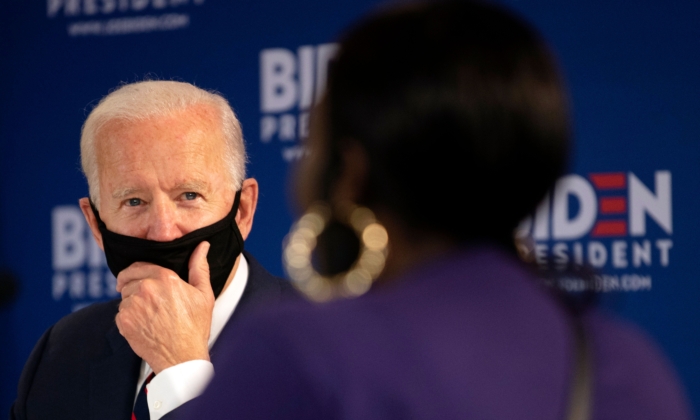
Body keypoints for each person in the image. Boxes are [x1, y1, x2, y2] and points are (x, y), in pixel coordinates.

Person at [178, 1, 694, 419]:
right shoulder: (626, 362)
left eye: (312, 138)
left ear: (350, 170)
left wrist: (181, 371)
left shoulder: (299, 355)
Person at [11, 80, 295, 420]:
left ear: (243, 210)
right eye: (134, 201)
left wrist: (182, 371)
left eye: (189, 196)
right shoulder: (62, 353)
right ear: (95, 225)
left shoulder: (331, 344)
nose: (163, 232)